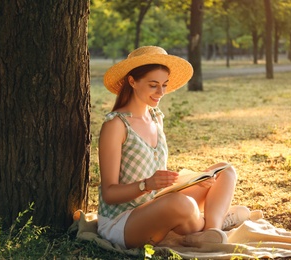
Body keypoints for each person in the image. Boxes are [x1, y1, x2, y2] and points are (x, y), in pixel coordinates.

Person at [97, 46, 243, 249]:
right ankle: (212, 221)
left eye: (164, 85)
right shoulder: (115, 126)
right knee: (181, 204)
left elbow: (158, 182)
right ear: (132, 81)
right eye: (153, 85)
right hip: (123, 220)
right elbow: (109, 194)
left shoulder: (156, 118)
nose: (161, 92)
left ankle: (211, 232)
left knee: (225, 171)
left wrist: (191, 183)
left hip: (158, 201)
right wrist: (146, 184)